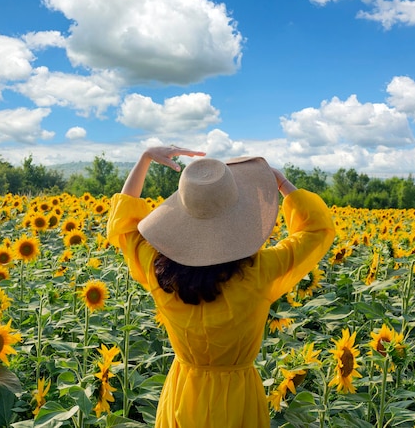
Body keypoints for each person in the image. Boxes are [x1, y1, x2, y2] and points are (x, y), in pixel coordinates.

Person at [106, 146, 335, 428]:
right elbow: (317, 231)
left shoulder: (158, 271)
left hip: (184, 392)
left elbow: (123, 226)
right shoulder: (259, 272)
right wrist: (281, 183)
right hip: (238, 396)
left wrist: (146, 159)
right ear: (237, 219)